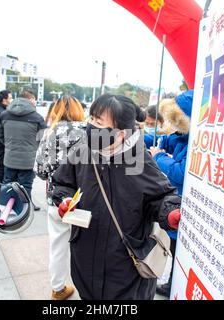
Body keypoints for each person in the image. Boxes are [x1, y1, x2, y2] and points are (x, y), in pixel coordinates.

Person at [51, 94, 182, 300]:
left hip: (125, 263)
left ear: (120, 133)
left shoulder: (138, 160)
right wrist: (65, 200)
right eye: (91, 118)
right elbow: (62, 183)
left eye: (99, 122)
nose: (91, 126)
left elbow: (161, 197)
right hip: (85, 253)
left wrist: (170, 212)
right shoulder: (82, 151)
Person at [36, 96, 86, 300]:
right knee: (86, 247)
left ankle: (58, 288)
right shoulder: (88, 133)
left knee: (58, 245)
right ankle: (88, 290)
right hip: (85, 199)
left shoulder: (50, 133)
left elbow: (39, 170)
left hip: (56, 200)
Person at [149, 89, 194, 297]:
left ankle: (174, 284)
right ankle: (173, 282)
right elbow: (164, 141)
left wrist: (159, 157)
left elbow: (180, 172)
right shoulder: (181, 136)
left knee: (179, 249)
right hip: (175, 200)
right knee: (174, 246)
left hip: (184, 201)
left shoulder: (195, 141)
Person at [0, 88, 47, 210]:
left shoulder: (4, 114)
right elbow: (43, 138)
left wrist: (9, 145)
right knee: (26, 185)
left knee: (8, 184)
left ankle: (5, 208)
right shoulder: (37, 117)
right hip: (28, 160)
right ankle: (24, 209)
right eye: (34, 99)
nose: (35, 102)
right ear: (30, 99)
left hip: (9, 157)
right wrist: (34, 148)